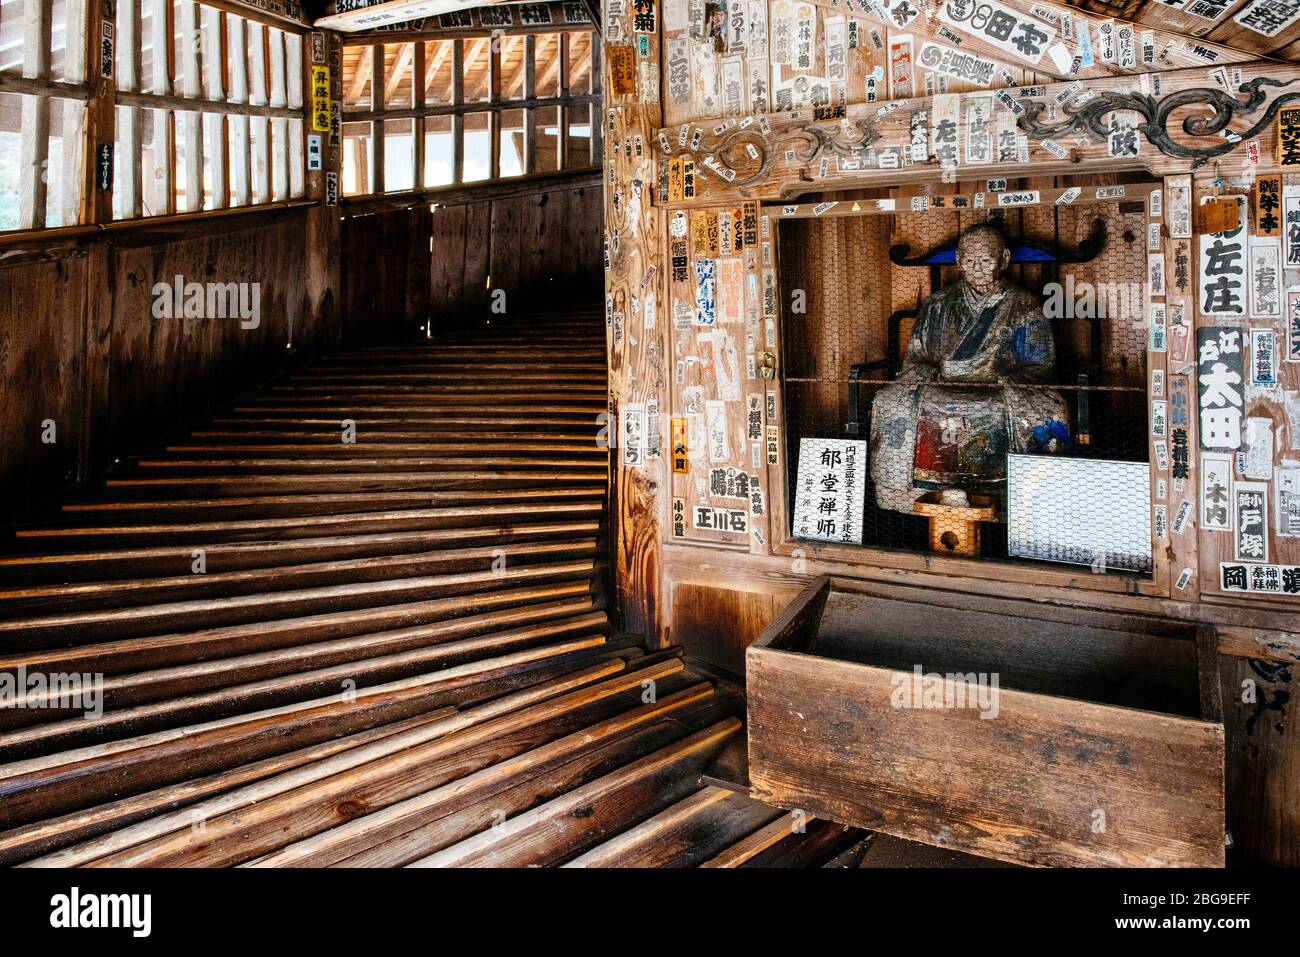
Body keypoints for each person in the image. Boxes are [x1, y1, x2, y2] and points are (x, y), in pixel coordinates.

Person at [869, 222, 1071, 513]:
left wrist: (1002, 375)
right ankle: (901, 491)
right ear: (958, 261)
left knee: (1048, 409)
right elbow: (916, 355)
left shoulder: (1024, 305)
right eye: (970, 260)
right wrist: (928, 370)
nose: (977, 267)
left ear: (1004, 259)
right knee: (889, 402)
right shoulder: (939, 303)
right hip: (942, 386)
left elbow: (1040, 362)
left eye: (986, 260)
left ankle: (1022, 501)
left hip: (998, 390)